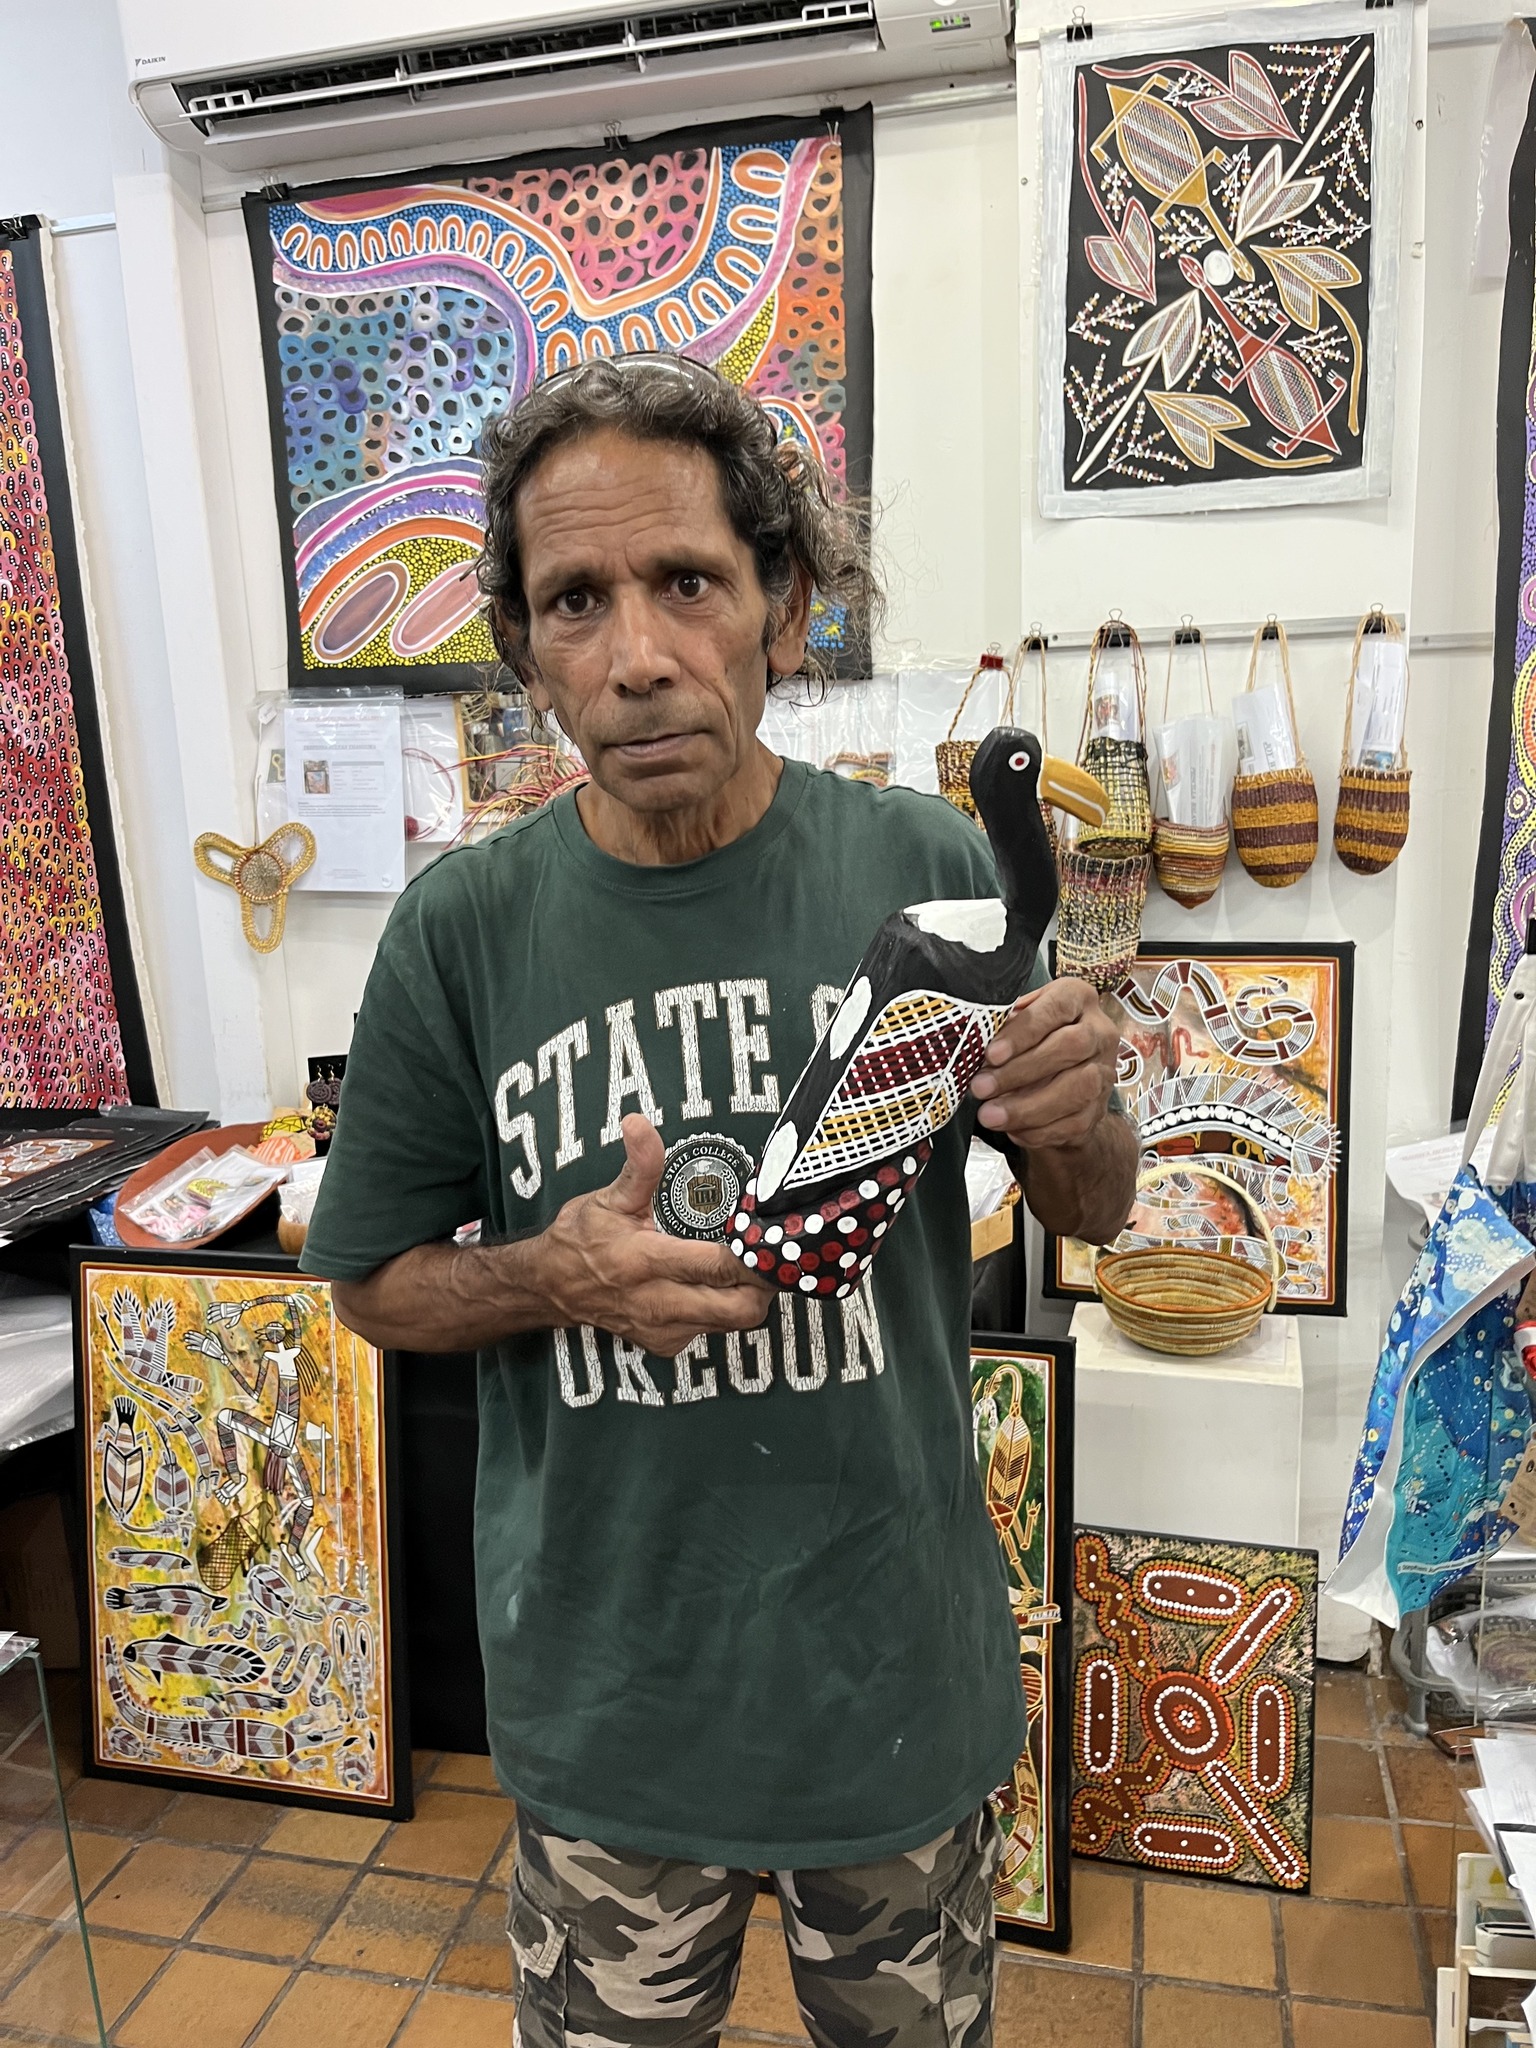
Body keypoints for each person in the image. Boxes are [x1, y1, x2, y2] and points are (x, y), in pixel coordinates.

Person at [301, 354, 1137, 2048]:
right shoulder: (461, 934)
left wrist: (1073, 1111)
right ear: (524, 650)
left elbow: (1097, 1206)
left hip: (889, 1688)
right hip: (613, 1715)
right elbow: (372, 1284)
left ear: (786, 608)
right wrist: (548, 1276)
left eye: (687, 582)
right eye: (575, 602)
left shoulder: (931, 870)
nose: (636, 657)